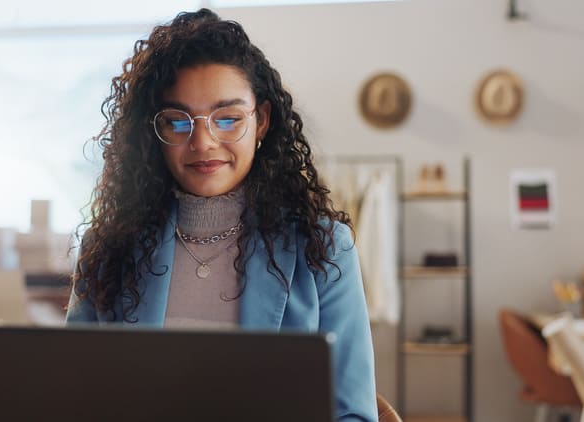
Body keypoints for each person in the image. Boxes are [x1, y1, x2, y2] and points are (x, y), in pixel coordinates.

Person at [66, 8, 378, 422]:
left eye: (228, 119)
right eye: (178, 122)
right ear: (153, 132)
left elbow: (354, 414)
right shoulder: (108, 250)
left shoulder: (322, 247)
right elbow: (74, 398)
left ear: (262, 120)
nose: (203, 142)